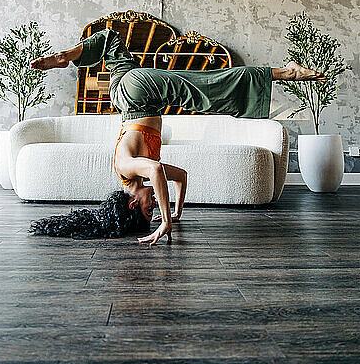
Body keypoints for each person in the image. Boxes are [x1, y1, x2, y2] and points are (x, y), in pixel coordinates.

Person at [29, 28, 325, 245]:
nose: (154, 205)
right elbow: (180, 175)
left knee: (202, 89)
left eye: (149, 207)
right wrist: (178, 212)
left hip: (136, 93)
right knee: (110, 40)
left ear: (132, 203)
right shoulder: (136, 175)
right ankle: (66, 57)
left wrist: (166, 222)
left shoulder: (125, 168)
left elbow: (157, 170)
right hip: (133, 92)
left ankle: (286, 73)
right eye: (154, 210)